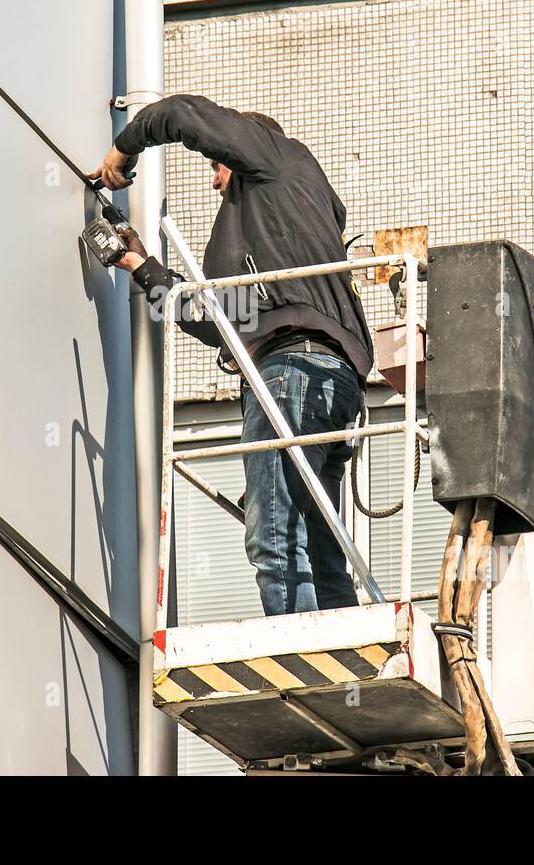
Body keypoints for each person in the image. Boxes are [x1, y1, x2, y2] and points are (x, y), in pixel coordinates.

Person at [87, 94, 374, 617]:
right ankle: (345, 656)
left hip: (290, 373)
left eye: (217, 165)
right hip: (329, 381)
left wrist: (123, 151)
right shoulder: (284, 243)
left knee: (273, 536)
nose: (214, 179)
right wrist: (140, 266)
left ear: (246, 148)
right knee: (317, 542)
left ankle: (300, 654)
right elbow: (220, 319)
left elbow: (183, 115)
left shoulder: (277, 159)